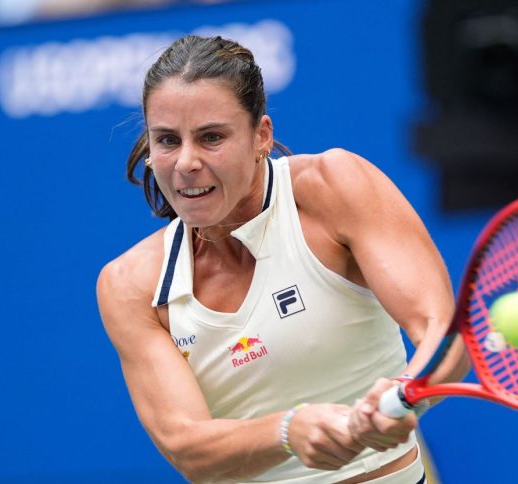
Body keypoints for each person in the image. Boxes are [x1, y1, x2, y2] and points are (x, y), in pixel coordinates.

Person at [97, 35, 470, 483]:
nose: (187, 163)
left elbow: (442, 333)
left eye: (212, 137)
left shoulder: (336, 186)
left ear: (261, 136)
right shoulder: (130, 284)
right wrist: (287, 430)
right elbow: (187, 446)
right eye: (168, 141)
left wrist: (403, 394)